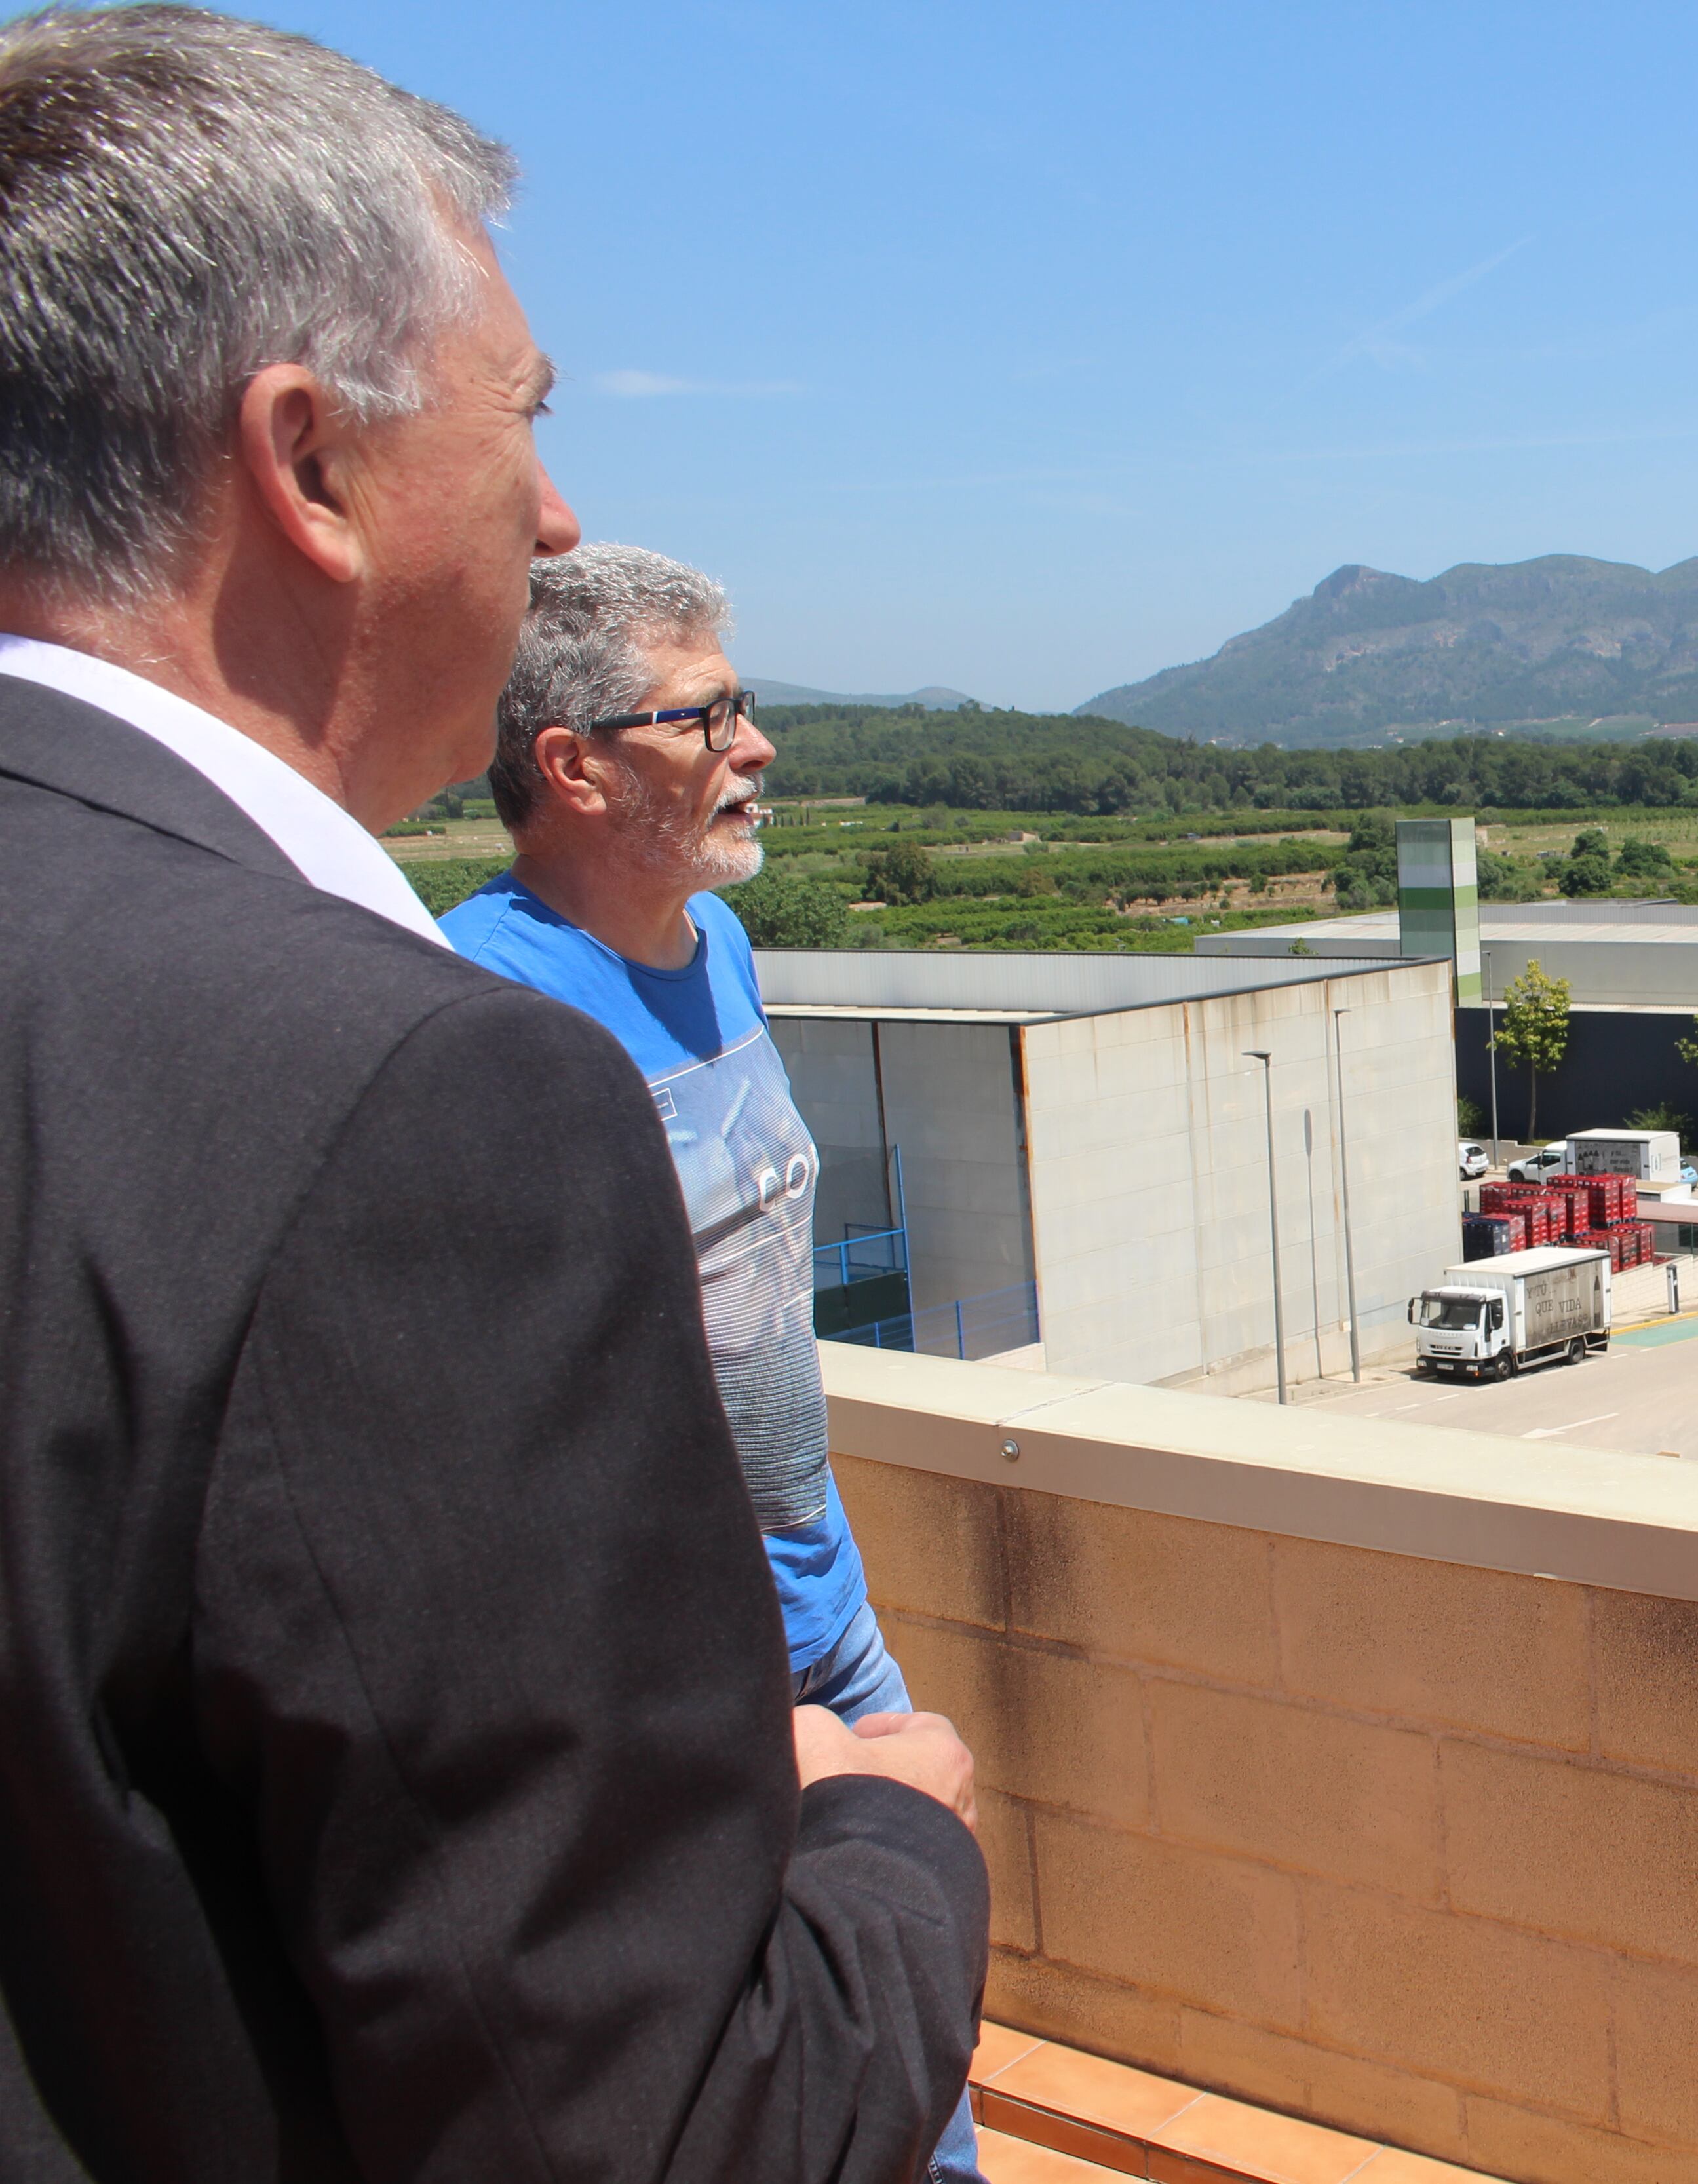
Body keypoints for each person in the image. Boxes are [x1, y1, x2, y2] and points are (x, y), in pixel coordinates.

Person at [0, 10, 987, 2179]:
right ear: (311, 463)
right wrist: (898, 1854)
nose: (551, 513)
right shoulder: (424, 1090)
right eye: (522, 420)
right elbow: (654, 2126)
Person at [442, 543, 985, 2183]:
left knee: (919, 1997)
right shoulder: (484, 1015)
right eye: (709, 714)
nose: (757, 747)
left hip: (823, 1587)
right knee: (795, 2053)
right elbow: (503, 1425)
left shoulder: (717, 953)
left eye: (743, 706)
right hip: (682, 1641)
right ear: (575, 762)